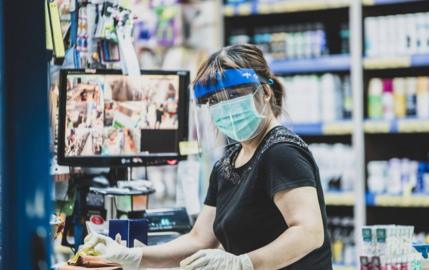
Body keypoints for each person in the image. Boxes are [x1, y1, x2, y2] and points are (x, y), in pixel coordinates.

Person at [83, 44, 332, 270]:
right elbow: (199, 239)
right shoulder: (227, 163)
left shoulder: (281, 151)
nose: (224, 106)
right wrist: (134, 256)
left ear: (265, 92)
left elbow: (308, 232)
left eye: (234, 94)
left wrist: (244, 264)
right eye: (214, 100)